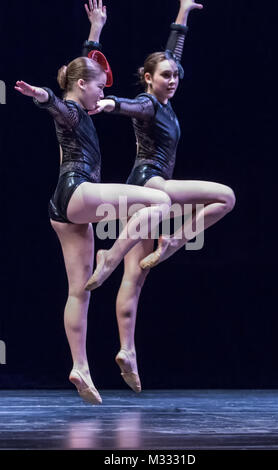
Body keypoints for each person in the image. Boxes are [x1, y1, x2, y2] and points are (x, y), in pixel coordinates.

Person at [14, 0, 171, 405]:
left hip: (62, 209)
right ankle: (112, 259)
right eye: (100, 86)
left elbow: (83, 65)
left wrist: (96, 27)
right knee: (158, 200)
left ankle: (80, 367)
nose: (104, 91)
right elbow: (56, 102)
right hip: (76, 190)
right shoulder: (70, 108)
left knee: (78, 291)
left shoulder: (80, 97)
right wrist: (39, 95)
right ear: (82, 86)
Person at [86, 0, 236, 393]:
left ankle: (127, 351)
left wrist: (183, 13)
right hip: (151, 186)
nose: (173, 80)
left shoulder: (165, 97)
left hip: (143, 193)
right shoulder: (150, 104)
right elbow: (133, 105)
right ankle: (171, 240)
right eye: (165, 76)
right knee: (225, 197)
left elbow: (174, 53)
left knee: (134, 280)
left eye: (175, 76)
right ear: (148, 78)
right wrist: (112, 103)